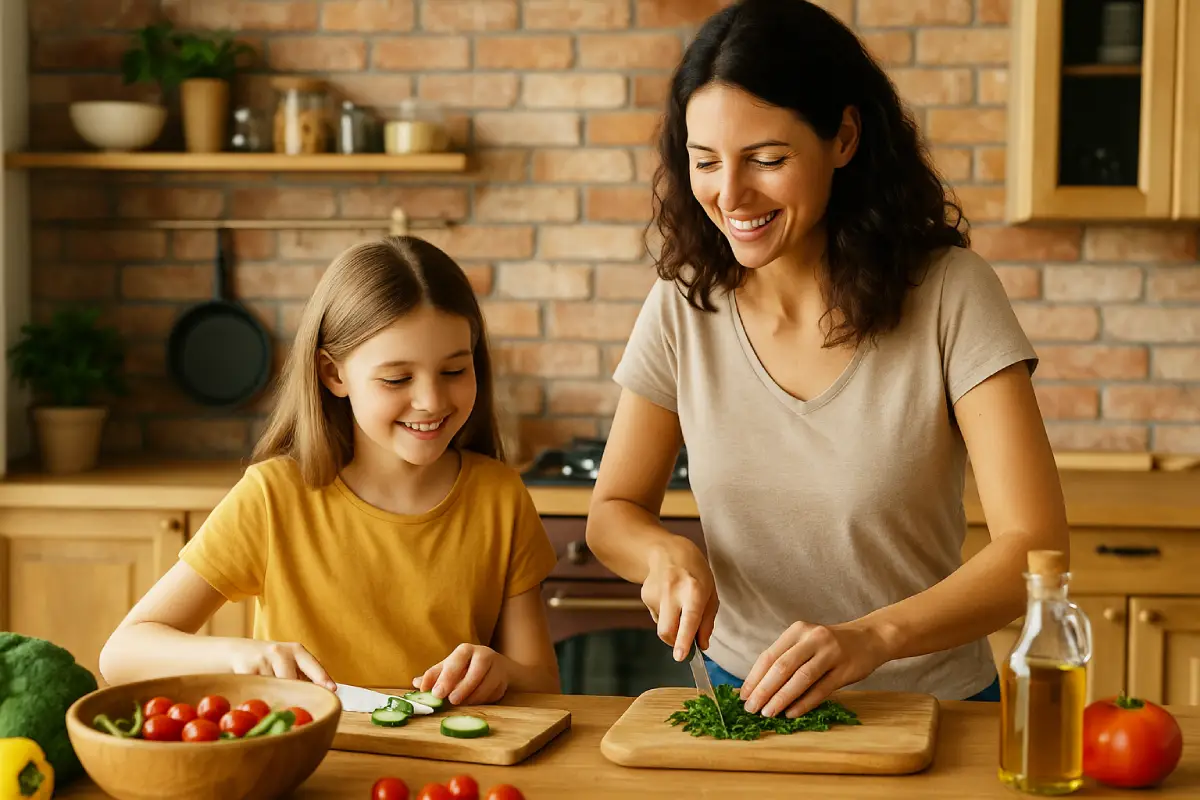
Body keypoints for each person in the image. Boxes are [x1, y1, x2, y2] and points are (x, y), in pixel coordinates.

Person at [585, 0, 1070, 720]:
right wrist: (664, 555)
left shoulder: (949, 294)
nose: (731, 194)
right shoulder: (683, 305)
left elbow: (1036, 550)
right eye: (706, 162)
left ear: (843, 138)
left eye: (767, 159)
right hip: (743, 704)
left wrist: (872, 638)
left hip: (929, 708)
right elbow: (613, 512)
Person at [99, 235, 561, 706]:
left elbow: (543, 684)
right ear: (333, 374)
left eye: (454, 371)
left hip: (446, 773)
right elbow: (123, 653)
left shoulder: (499, 496)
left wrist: (498, 671)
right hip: (308, 768)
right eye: (397, 378)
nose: (432, 401)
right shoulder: (272, 497)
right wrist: (241, 656)